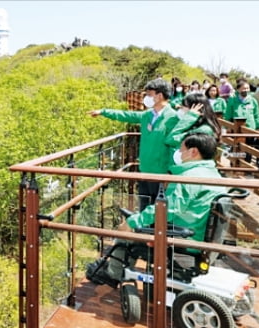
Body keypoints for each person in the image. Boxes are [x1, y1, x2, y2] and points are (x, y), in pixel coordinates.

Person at [87, 133, 227, 285]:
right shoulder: (214, 174)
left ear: (193, 152)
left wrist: (132, 222)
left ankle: (113, 274)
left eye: (181, 150)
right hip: (198, 234)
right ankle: (114, 268)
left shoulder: (188, 177)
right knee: (138, 224)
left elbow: (166, 210)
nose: (178, 154)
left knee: (126, 232)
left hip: (183, 238)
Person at [89, 78, 179, 210]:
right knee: (144, 208)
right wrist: (103, 112)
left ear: (159, 96)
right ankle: (142, 230)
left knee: (159, 212)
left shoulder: (173, 118)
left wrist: (171, 174)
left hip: (161, 174)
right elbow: (126, 115)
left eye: (149, 95)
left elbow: (175, 146)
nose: (146, 98)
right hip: (144, 170)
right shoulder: (147, 115)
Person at [165, 93, 222, 159]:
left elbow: (171, 139)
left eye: (184, 106)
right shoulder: (193, 123)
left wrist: (190, 117)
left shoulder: (203, 129)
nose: (181, 108)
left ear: (197, 109)